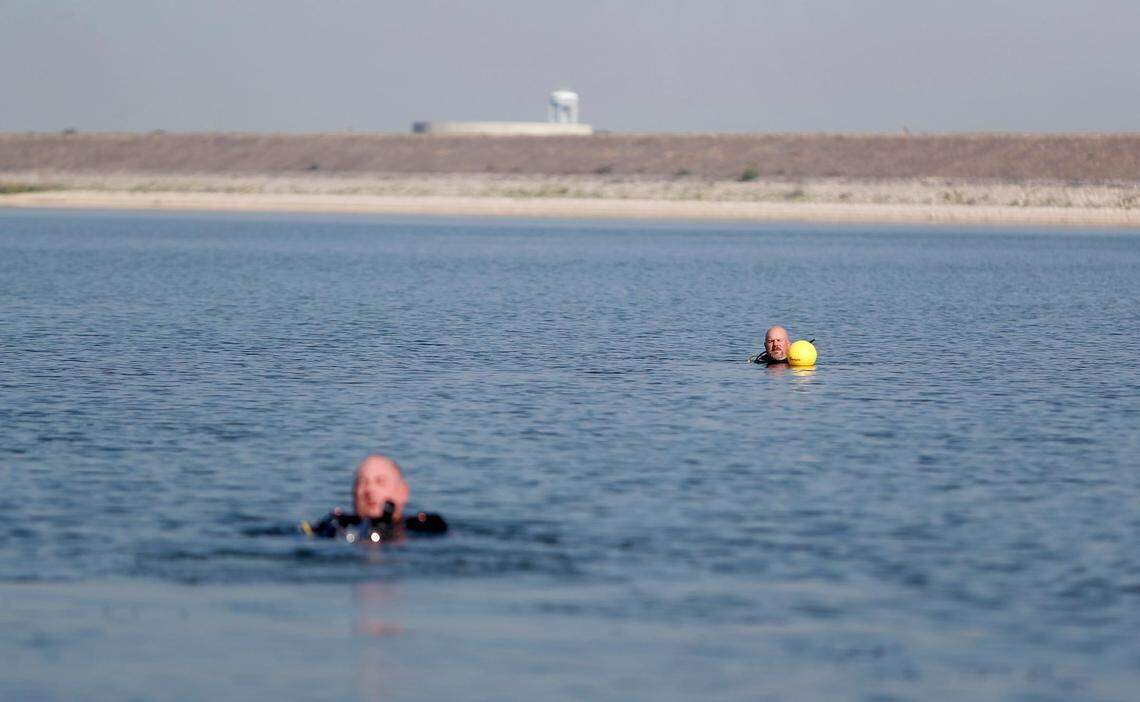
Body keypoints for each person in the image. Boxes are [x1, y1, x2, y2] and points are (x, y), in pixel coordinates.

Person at [303, 454, 447, 542]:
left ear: (403, 492)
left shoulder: (428, 528)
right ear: (353, 493)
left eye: (380, 482)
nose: (369, 490)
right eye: (362, 483)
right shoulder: (335, 526)